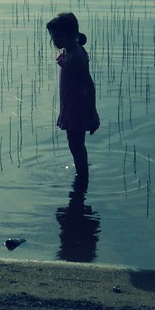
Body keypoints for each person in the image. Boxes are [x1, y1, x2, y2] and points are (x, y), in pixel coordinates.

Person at [47, 12, 100, 189]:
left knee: (75, 144)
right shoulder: (71, 50)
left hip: (78, 107)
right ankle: (82, 174)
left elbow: (89, 85)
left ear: (71, 34)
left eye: (59, 36)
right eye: (53, 36)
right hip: (72, 104)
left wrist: (93, 113)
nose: (55, 40)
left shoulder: (76, 57)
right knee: (76, 144)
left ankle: (82, 177)